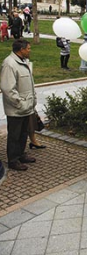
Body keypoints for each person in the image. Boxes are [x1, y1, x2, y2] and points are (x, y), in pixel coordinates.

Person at [1, 39, 37, 171]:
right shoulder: (9, 64)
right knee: (14, 136)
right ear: (21, 50)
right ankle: (13, 160)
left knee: (23, 133)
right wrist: (20, 104)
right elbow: (7, 88)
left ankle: (21, 154)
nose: (29, 50)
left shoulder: (22, 62)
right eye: (28, 48)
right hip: (17, 109)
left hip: (26, 107)